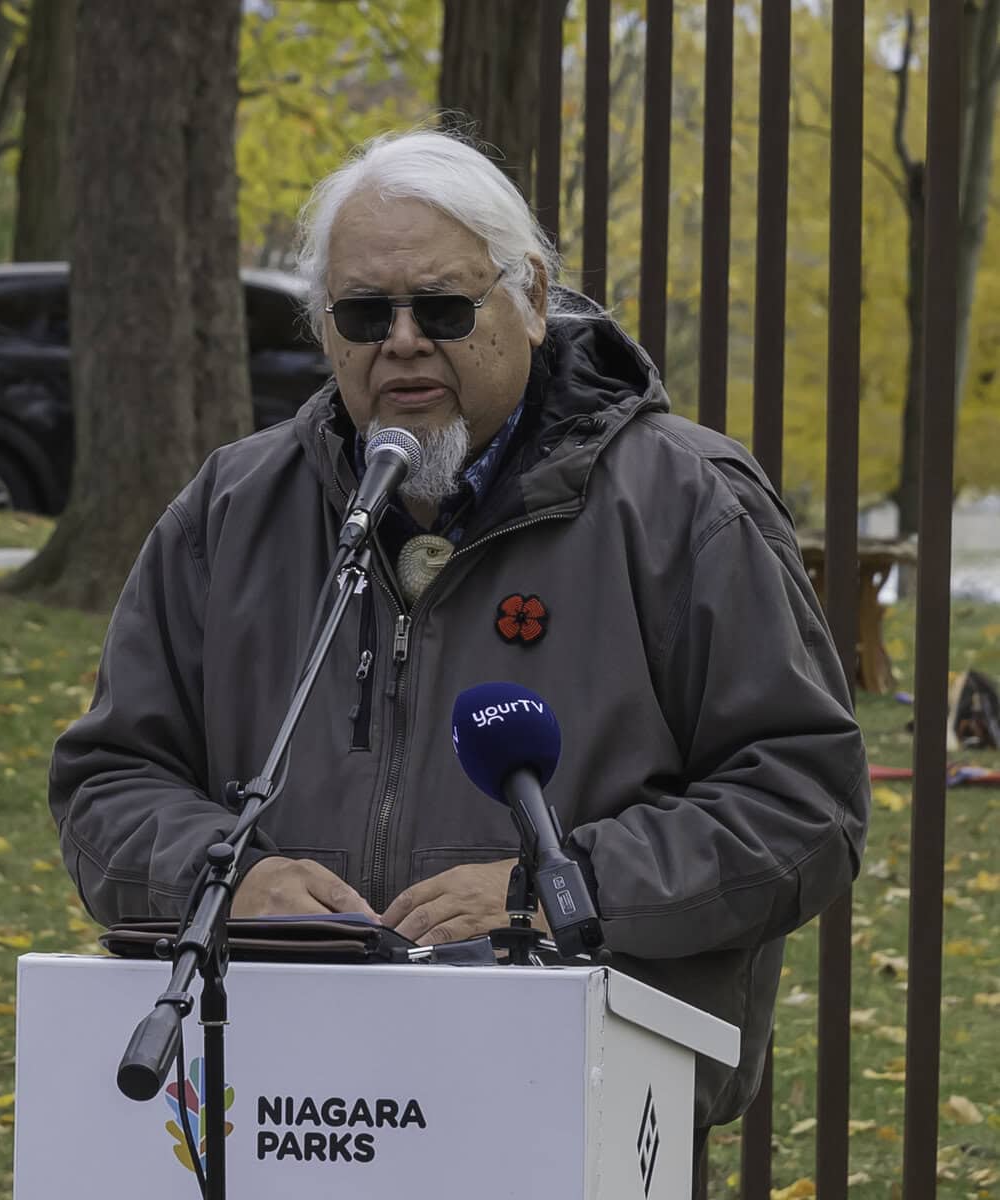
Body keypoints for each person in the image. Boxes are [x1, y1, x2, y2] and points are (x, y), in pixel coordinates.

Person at [49, 129, 870, 1142]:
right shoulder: (231, 509)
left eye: (442, 308)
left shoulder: (687, 506)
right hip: (284, 1098)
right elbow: (110, 782)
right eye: (365, 313)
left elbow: (803, 801)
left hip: (576, 1106)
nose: (402, 341)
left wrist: (563, 891)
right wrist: (230, 879)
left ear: (530, 298)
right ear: (326, 330)